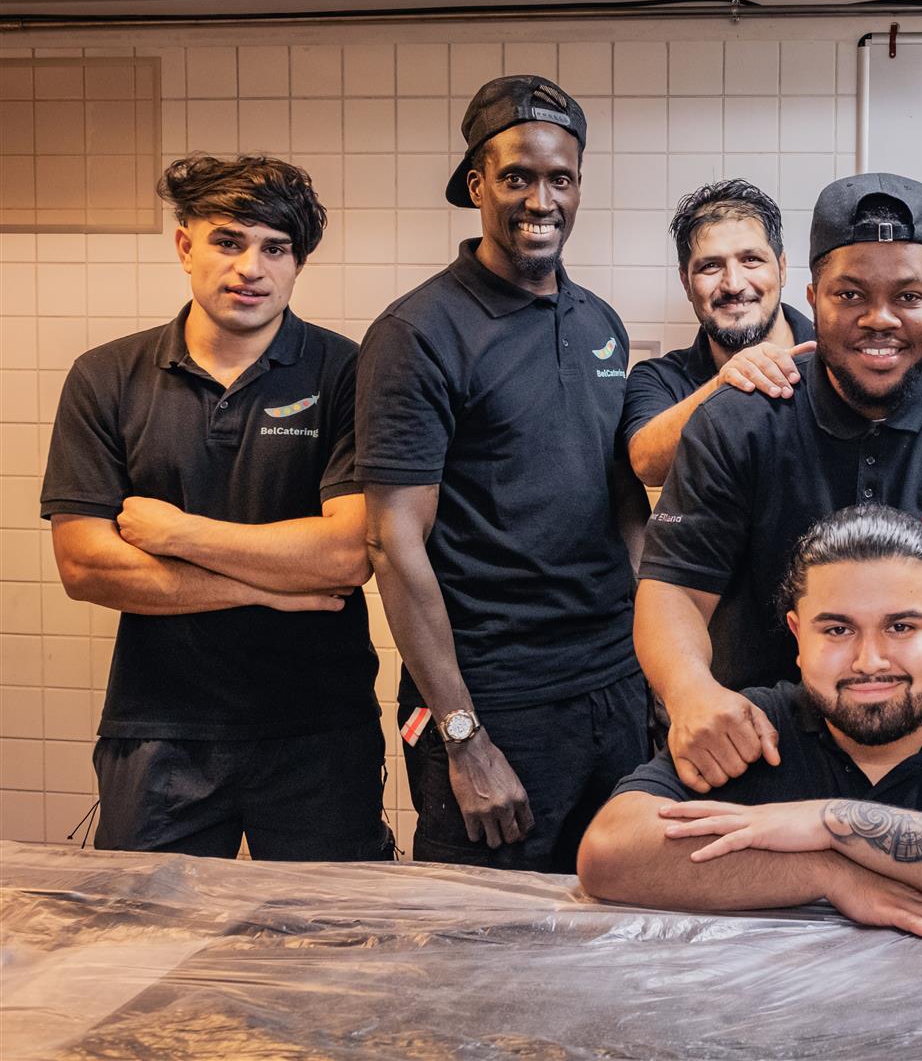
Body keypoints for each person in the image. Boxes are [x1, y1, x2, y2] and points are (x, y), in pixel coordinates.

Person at [635, 172, 922, 809]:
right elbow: (673, 588)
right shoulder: (738, 424)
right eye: (850, 294)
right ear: (812, 296)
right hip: (757, 753)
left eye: (907, 295)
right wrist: (688, 692)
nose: (880, 319)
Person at [40, 153, 388, 861]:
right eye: (229, 240)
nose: (250, 268)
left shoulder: (349, 371)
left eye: (275, 248)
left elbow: (348, 552)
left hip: (317, 729)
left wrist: (177, 531)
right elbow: (86, 567)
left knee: (328, 953)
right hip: (159, 731)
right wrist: (274, 588)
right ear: (185, 245)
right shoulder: (106, 376)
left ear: (298, 263)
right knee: (143, 948)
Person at [357, 75, 649, 871]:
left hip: (615, 693)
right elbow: (392, 543)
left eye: (561, 177)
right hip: (498, 705)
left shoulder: (599, 322)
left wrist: (653, 674)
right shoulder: (418, 332)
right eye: (518, 175)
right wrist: (463, 734)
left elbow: (624, 507)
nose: (540, 198)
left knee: (619, 931)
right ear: (477, 184)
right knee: (481, 959)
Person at [579, 504, 922, 940]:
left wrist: (829, 822)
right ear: (797, 636)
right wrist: (827, 872)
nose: (870, 661)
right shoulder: (750, 730)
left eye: (901, 626)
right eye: (836, 630)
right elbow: (608, 854)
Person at [623, 179, 816, 487]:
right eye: (711, 266)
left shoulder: (835, 359)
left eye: (751, 260)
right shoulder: (658, 378)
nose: (734, 284)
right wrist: (727, 383)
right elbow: (647, 463)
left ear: (781, 268)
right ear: (686, 284)